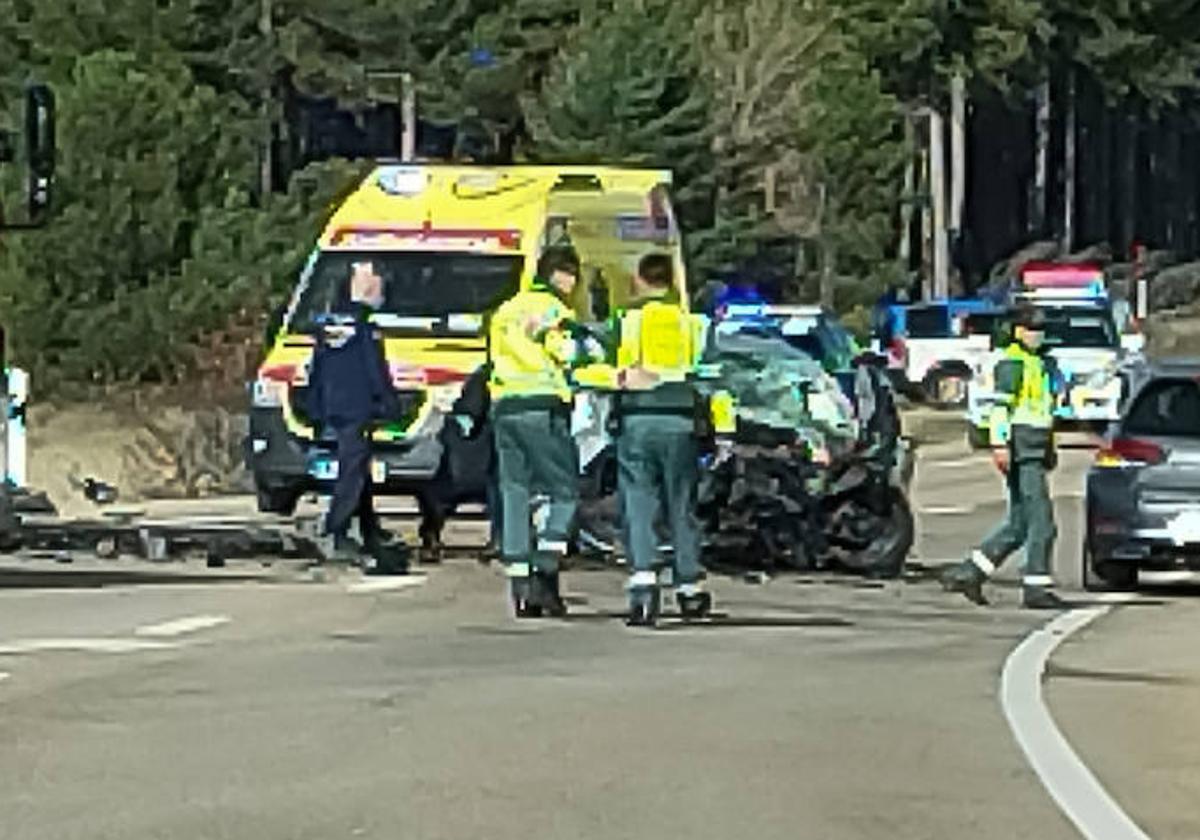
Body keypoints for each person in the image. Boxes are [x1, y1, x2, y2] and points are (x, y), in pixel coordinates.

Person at [576, 253, 714, 626]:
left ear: (640, 280)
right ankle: (690, 587)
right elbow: (713, 379)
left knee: (638, 504)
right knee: (681, 505)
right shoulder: (694, 324)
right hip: (681, 421)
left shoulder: (626, 321)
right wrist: (723, 429)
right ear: (670, 281)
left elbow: (597, 367)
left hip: (638, 419)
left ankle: (643, 586)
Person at [488, 245, 598, 618]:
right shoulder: (552, 310)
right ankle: (546, 563)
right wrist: (590, 350)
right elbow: (568, 352)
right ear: (561, 275)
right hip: (542, 405)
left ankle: (519, 582)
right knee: (564, 491)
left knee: (515, 491)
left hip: (505, 406)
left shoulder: (505, 310)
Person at [941, 304, 1065, 609]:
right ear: (1017, 331)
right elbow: (1001, 410)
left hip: (1036, 445)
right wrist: (1000, 445)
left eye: (1041, 329)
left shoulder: (1043, 364)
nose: (1037, 334)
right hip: (1021, 447)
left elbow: (1049, 409)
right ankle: (1036, 586)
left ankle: (970, 572)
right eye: (1031, 329)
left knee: (1019, 524)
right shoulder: (1012, 364)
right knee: (1042, 523)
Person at [306, 261, 409, 573]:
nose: (380, 291)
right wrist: (391, 406)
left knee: (356, 466)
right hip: (357, 407)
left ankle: (369, 530)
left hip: (332, 406)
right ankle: (335, 527)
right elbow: (374, 370)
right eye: (376, 284)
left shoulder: (327, 325)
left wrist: (314, 409)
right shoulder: (366, 326)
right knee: (353, 469)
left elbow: (317, 369)